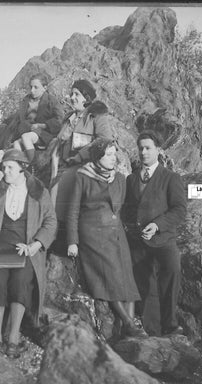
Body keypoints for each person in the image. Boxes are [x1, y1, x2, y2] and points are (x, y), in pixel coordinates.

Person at [0, 148, 57, 357]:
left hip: (26, 250)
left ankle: (13, 337)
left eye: (10, 167)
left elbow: (51, 222)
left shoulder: (39, 191)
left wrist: (36, 245)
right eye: (3, 167)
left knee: (21, 282)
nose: (5, 171)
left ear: (23, 168)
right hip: (0, 248)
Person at [66, 138, 147, 339]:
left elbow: (128, 207)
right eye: (108, 155)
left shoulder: (119, 178)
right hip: (93, 234)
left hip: (117, 233)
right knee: (111, 277)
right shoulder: (82, 176)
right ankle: (130, 324)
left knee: (127, 278)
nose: (113, 158)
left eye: (114, 154)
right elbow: (73, 210)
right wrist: (72, 241)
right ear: (97, 157)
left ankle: (128, 329)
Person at [122, 130, 187, 336]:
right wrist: (131, 228)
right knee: (142, 283)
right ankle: (151, 330)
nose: (143, 152)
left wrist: (157, 225)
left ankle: (170, 325)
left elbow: (179, 210)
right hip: (138, 240)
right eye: (140, 148)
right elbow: (127, 209)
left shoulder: (171, 178)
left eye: (148, 148)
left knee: (172, 271)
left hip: (163, 238)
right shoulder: (131, 180)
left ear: (158, 150)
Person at [49, 79, 114, 255]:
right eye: (72, 94)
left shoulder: (96, 116)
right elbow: (58, 141)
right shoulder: (69, 118)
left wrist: (80, 155)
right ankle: (52, 235)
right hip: (62, 165)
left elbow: (104, 140)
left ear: (86, 97)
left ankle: (58, 238)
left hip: (83, 166)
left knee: (58, 191)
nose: (72, 97)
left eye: (76, 94)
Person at [12, 73, 64, 164]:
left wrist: (42, 125)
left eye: (36, 87)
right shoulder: (26, 100)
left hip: (44, 134)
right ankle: (20, 168)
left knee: (25, 137)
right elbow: (19, 119)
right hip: (28, 130)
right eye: (31, 87)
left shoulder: (51, 100)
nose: (32, 90)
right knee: (16, 143)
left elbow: (60, 119)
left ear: (45, 87)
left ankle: (31, 166)